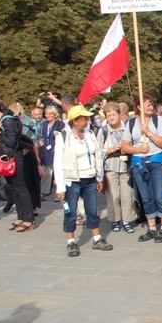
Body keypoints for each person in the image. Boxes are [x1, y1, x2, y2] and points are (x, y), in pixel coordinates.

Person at [53, 105, 112, 257]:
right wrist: (60, 186)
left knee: (92, 210)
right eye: (84, 118)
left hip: (90, 178)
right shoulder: (63, 137)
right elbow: (57, 162)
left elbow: (96, 155)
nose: (87, 121)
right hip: (72, 180)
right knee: (71, 211)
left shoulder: (90, 133)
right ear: (75, 120)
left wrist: (99, 177)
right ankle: (71, 241)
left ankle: (97, 238)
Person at [121, 93, 162, 243]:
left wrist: (148, 133)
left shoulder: (159, 120)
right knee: (146, 196)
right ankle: (151, 228)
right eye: (147, 104)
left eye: (151, 103)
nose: (150, 106)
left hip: (157, 161)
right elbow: (125, 146)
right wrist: (138, 150)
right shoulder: (131, 123)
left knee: (159, 194)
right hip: (139, 162)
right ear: (138, 107)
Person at [0, 96, 35, 232]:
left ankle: (29, 219)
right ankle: (21, 216)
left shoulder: (8, 121)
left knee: (20, 187)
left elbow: (11, 142)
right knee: (12, 187)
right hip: (5, 157)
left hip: (14, 157)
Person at [97, 102, 137, 234]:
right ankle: (115, 219)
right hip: (111, 165)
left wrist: (127, 149)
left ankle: (127, 220)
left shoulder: (128, 128)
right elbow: (98, 150)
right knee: (113, 195)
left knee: (127, 195)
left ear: (120, 115)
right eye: (109, 115)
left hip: (126, 165)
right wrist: (111, 149)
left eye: (114, 114)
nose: (112, 117)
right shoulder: (103, 131)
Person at [39, 106, 64, 200]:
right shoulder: (44, 124)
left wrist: (58, 134)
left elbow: (63, 135)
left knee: (58, 171)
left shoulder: (59, 124)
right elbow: (42, 135)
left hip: (56, 148)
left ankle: (59, 192)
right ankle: (44, 191)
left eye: (50, 114)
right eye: (47, 114)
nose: (48, 115)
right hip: (46, 149)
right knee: (46, 170)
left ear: (54, 114)